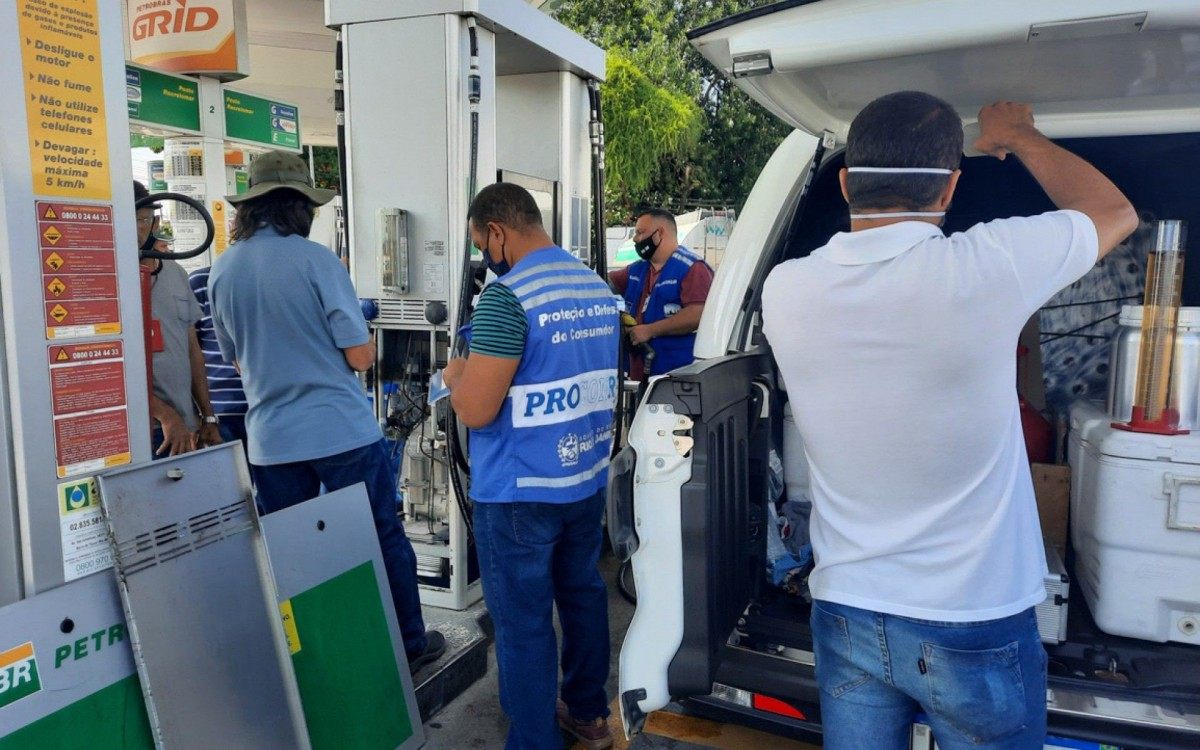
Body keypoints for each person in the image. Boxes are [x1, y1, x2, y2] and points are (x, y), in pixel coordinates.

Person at [762, 92, 1137, 750]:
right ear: (952, 188)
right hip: (971, 619)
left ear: (846, 183)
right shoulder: (986, 267)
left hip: (846, 609)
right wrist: (1020, 134)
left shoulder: (785, 289)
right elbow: (1114, 213)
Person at [207, 151, 445, 673]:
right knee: (381, 533)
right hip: (340, 432)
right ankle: (408, 643)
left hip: (271, 440)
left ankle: (315, 653)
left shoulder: (222, 269)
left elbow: (233, 355)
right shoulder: (317, 262)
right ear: (299, 207)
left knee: (293, 547)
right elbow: (360, 356)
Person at [443, 182, 618, 750]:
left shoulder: (507, 299)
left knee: (523, 627)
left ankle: (535, 741)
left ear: (497, 231)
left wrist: (453, 378)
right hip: (583, 478)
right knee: (583, 595)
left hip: (519, 493)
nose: (484, 259)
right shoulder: (592, 285)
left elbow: (474, 407)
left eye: (480, 245)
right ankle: (590, 715)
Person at [134, 181, 222, 458]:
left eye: (144, 218)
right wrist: (164, 414)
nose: (138, 227)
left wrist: (207, 416)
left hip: (185, 425)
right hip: (143, 427)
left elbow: (192, 349)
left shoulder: (175, 273)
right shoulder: (103, 280)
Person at [608, 209, 713, 381]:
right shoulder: (638, 269)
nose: (635, 239)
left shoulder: (692, 268)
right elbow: (605, 284)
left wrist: (650, 330)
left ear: (660, 233)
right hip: (639, 373)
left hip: (678, 377)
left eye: (640, 232)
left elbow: (698, 314)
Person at [188, 265, 249, 448]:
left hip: (275, 408)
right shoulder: (200, 282)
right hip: (221, 410)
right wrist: (205, 414)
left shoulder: (281, 278)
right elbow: (190, 351)